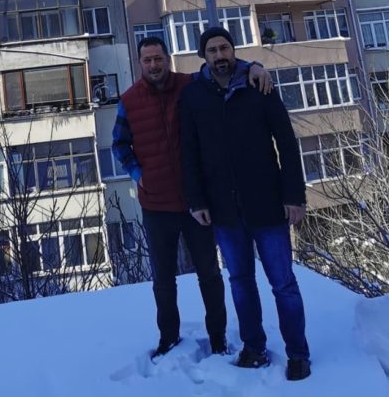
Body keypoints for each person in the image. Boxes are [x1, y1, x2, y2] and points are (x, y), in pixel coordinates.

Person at [112, 34, 271, 360]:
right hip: (156, 205)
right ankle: (168, 338)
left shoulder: (190, 85)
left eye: (158, 58)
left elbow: (222, 67)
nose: (153, 65)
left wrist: (253, 66)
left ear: (168, 59)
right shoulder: (129, 101)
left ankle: (218, 338)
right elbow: (119, 144)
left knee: (209, 274)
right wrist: (139, 176)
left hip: (196, 203)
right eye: (147, 60)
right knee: (163, 279)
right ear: (139, 63)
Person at [179, 26, 311, 382]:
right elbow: (189, 153)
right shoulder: (193, 97)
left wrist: (294, 196)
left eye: (225, 48)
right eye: (212, 50)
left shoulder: (258, 86)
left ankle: (298, 354)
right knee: (240, 281)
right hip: (224, 210)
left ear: (234, 50)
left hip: (268, 204)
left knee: (283, 283)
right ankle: (254, 348)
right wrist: (196, 200)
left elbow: (287, 143)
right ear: (203, 56)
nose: (219, 55)